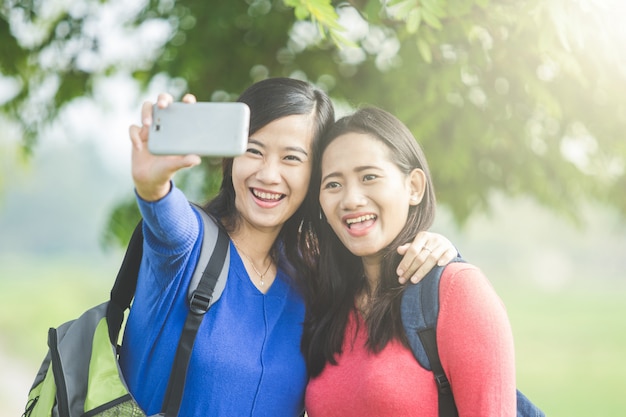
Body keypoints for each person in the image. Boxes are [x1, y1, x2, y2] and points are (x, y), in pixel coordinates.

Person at [119, 78, 458, 416]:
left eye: (292, 158)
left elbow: (379, 276)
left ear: (316, 176)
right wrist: (153, 185)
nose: (268, 174)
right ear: (231, 158)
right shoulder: (189, 246)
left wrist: (431, 246)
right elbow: (166, 220)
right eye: (254, 150)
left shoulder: (313, 275)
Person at [303, 107, 516, 416]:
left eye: (369, 177)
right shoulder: (325, 297)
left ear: (414, 187)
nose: (351, 199)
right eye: (333, 184)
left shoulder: (456, 290)